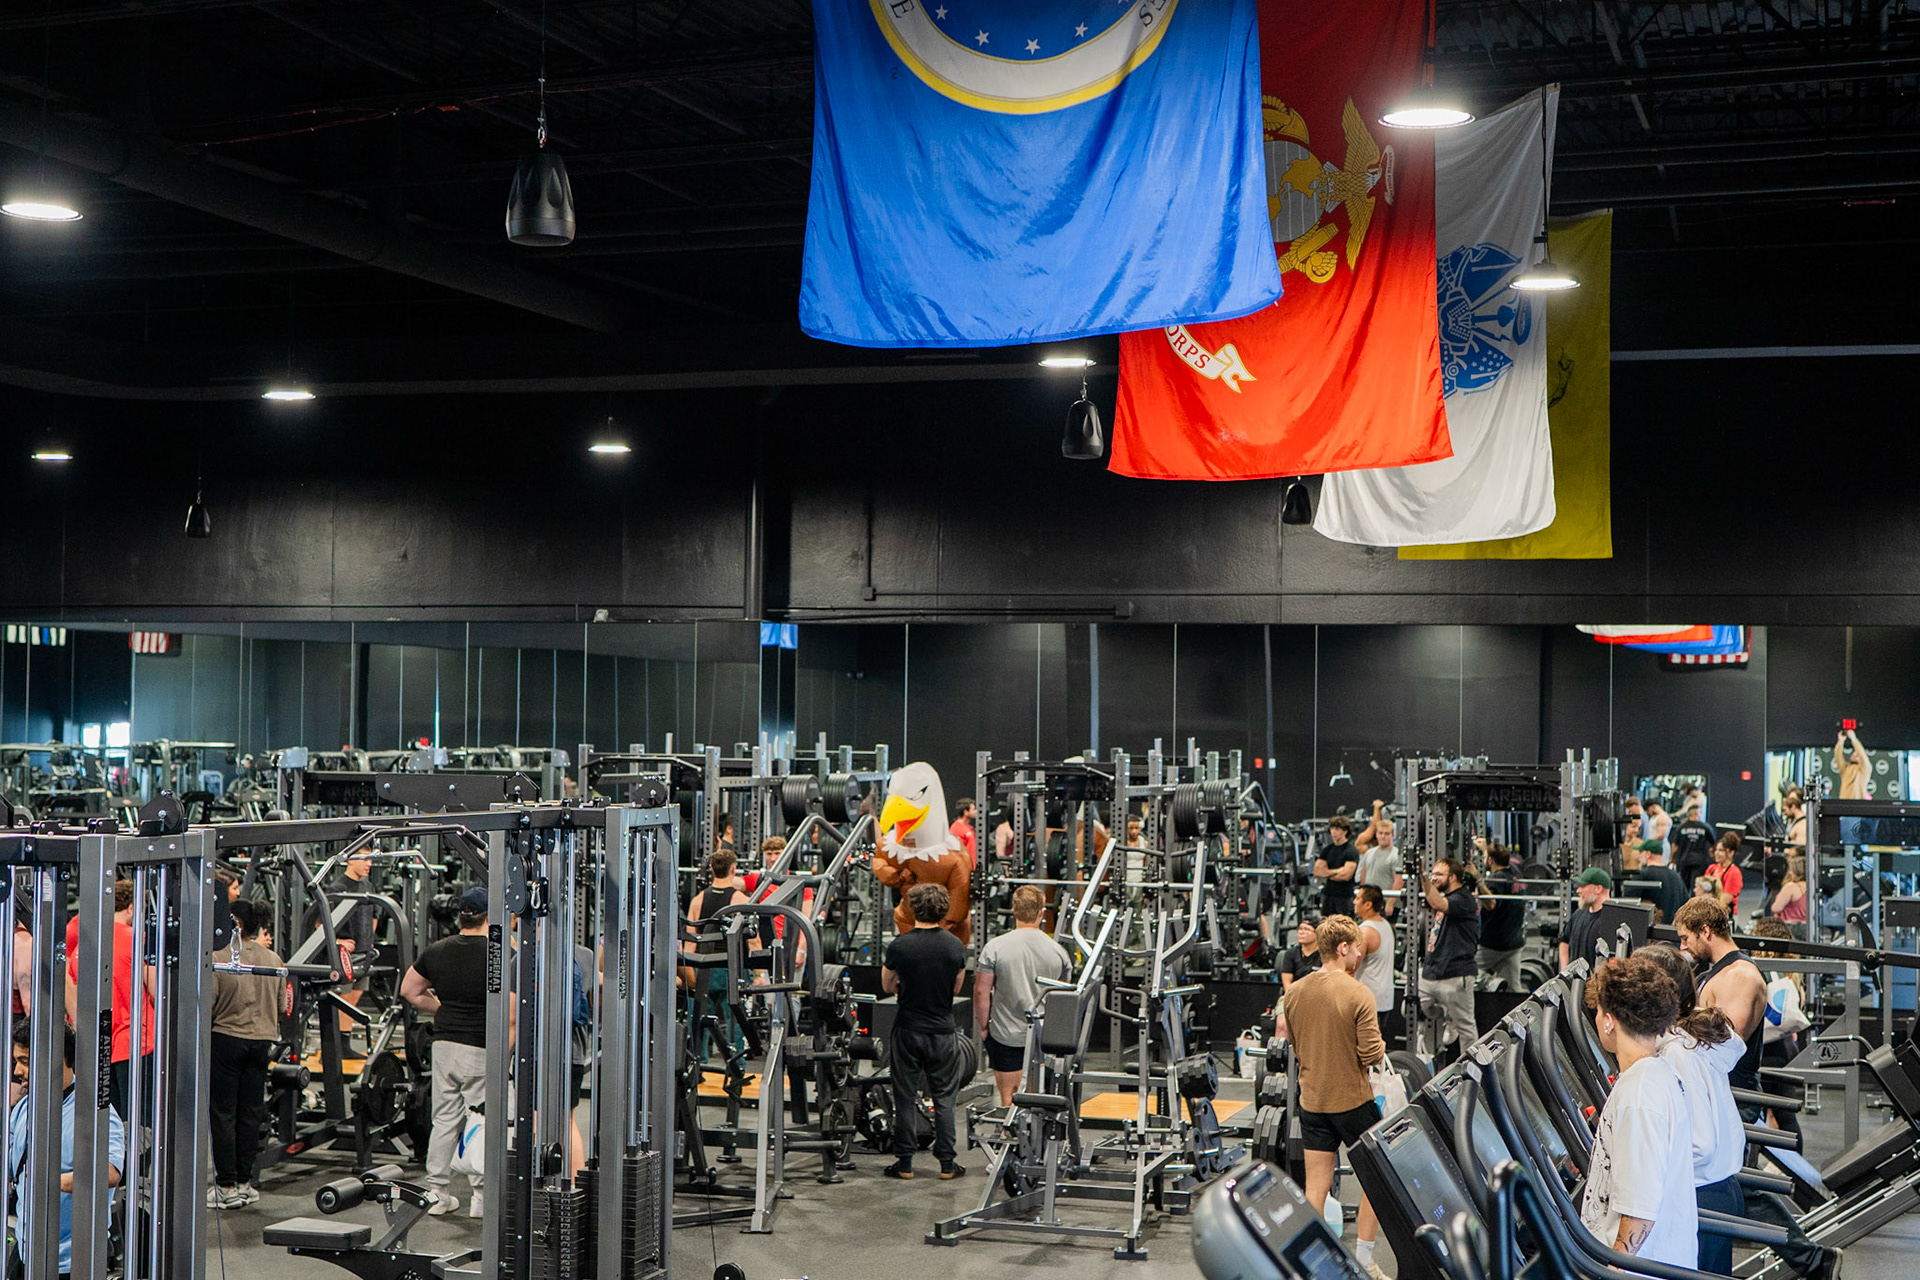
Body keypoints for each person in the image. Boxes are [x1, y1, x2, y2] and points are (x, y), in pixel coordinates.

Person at [1281, 915, 1388, 1280]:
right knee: (1377, 1182)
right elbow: (1371, 1054)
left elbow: (1295, 1045)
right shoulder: (1358, 993)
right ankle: (1364, 1260)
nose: (1359, 955)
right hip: (1353, 1103)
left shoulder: (1294, 992)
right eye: (1357, 948)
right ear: (1343, 948)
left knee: (1315, 1189)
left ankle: (1311, 1267)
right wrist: (1380, 1046)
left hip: (1312, 1102)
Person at [1632, 944, 1748, 1276]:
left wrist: (1649, 1170)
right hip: (1714, 1189)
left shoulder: (1678, 1053)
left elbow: (1701, 1144)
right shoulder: (1686, 1040)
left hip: (1703, 1194)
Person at [1578, 954, 1699, 1268]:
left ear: (1609, 1021)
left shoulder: (1639, 1096)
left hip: (1639, 1269)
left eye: (1599, 1011)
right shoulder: (1655, 1073)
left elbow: (1640, 1212)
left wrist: (1614, 1270)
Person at [402, 884, 491, 1217]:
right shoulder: (498, 953)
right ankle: (480, 1197)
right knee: (482, 1119)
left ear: (460, 917)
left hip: (444, 1045)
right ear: (489, 917)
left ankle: (437, 1194)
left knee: (444, 1120)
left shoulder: (437, 950)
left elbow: (409, 991)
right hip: (479, 1046)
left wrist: (442, 1008)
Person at [9, 1024, 125, 1274]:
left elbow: (110, 1173)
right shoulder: (24, 1108)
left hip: (74, 1261)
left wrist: (52, 1180)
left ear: (55, 1059)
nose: (17, 1071)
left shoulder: (95, 1113)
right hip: (26, 1250)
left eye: (25, 1061)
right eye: (17, 1061)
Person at [881, 882, 968, 1181]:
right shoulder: (954, 946)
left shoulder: (900, 945)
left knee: (904, 1096)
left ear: (913, 908)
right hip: (942, 1031)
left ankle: (905, 1164)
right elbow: (956, 987)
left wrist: (904, 984)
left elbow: (887, 985)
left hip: (908, 1029)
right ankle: (947, 1164)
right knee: (945, 1098)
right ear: (943, 909)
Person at [208, 898, 284, 1209]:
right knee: (251, 1112)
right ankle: (244, 1183)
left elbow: (208, 1005)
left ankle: (226, 1186)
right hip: (261, 1042)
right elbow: (282, 1006)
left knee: (224, 1113)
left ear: (236, 925)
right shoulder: (273, 959)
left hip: (226, 1039)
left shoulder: (219, 957)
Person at [63, 877, 154, 1123]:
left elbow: (71, 984)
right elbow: (158, 990)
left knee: (109, 1119)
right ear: (132, 908)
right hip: (135, 1040)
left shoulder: (87, 939)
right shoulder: (137, 938)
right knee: (139, 1123)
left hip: (99, 1043)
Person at [974, 885, 1071, 1105]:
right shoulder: (1058, 952)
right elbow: (1062, 1000)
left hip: (1005, 1034)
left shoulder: (994, 947)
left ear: (1013, 910)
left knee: (1009, 1099)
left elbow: (981, 991)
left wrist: (983, 1027)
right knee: (1038, 1099)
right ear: (1041, 913)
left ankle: (1011, 1125)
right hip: (1043, 1037)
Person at [1673, 895, 1769, 1106]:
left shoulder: (1740, 976)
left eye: (1685, 938)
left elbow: (1725, 1045)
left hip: (1732, 1100)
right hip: (1713, 1092)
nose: (1682, 947)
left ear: (1705, 931)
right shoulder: (1715, 971)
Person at [685, 848, 751, 1057]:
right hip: (731, 967)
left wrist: (688, 974)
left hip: (704, 967)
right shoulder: (741, 900)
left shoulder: (698, 900)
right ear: (733, 869)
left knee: (700, 1020)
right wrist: (759, 974)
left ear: (712, 870)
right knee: (735, 1022)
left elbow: (690, 942)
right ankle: (737, 1065)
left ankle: (698, 1064)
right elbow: (753, 939)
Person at [1419, 857, 1480, 1054]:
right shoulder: (1445, 896)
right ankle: (1447, 1014)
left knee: (1466, 1028)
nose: (1434, 878)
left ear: (1452, 877)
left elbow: (1437, 903)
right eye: (1433, 874)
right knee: (1411, 1007)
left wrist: (1423, 875)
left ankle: (1472, 1068)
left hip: (1456, 973)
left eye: (1439, 874)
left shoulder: (1463, 899)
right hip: (1433, 971)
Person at [324, 852, 378, 1057]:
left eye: (370, 860)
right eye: (365, 859)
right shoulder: (337, 888)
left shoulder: (368, 886)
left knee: (354, 997)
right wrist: (338, 942)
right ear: (351, 860)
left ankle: (344, 1043)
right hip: (343, 953)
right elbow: (321, 923)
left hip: (364, 952)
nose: (369, 864)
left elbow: (374, 915)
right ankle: (337, 1047)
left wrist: (369, 938)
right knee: (343, 998)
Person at [1477, 843, 1527, 989]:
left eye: (1485, 858)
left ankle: (1494, 984)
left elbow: (1491, 904)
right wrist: (1485, 849)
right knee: (1514, 988)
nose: (1483, 860)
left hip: (1494, 943)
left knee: (1468, 973)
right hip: (1514, 942)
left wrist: (1478, 879)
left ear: (1491, 860)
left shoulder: (1495, 879)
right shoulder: (1516, 874)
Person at [1353, 802, 1404, 917]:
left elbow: (1399, 881)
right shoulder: (1369, 853)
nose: (1383, 836)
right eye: (1380, 833)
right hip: (1370, 903)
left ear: (1392, 835)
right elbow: (1363, 878)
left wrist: (1390, 903)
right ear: (1376, 835)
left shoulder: (1396, 855)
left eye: (1386, 834)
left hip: (1386, 904)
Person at [1353, 886, 1395, 1014]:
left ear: (1368, 905)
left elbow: (1352, 966)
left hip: (1368, 1002)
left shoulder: (1364, 931)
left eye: (1357, 898)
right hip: (1384, 1000)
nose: (1354, 902)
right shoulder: (1386, 925)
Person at [1560, 867, 1612, 969]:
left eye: (1582, 886)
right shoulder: (1578, 915)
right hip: (1575, 979)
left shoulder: (1611, 919)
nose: (1578, 891)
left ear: (1598, 889)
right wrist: (1564, 970)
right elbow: (1564, 940)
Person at [1313, 816, 1358, 919]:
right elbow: (1317, 871)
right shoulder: (1327, 850)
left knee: (1343, 925)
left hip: (1344, 897)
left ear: (1345, 831)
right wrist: (1337, 871)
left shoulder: (1351, 851)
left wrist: (1327, 873)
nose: (1333, 832)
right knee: (1326, 923)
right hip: (1328, 895)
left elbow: (1346, 875)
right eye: (1332, 828)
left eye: (1337, 829)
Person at [1634, 841, 1688, 925]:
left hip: (1651, 929)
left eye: (1641, 852)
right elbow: (1686, 903)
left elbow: (1631, 903)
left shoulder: (1643, 874)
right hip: (1673, 928)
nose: (1638, 857)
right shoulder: (1676, 876)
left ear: (1648, 854)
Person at [1669, 803, 1717, 893]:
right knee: (1697, 886)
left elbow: (1674, 846)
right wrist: (1713, 855)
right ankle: (1694, 901)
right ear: (1697, 814)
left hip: (1684, 860)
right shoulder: (1705, 827)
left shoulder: (1681, 828)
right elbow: (1713, 844)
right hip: (1700, 861)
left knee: (1684, 886)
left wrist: (1672, 858)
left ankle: (1685, 901)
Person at [1705, 832, 1745, 913]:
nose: (1716, 853)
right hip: (1709, 911)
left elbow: (1726, 899)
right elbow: (1702, 889)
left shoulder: (1734, 872)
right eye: (1716, 850)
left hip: (1726, 914)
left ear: (1731, 852)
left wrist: (1708, 899)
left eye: (1721, 850)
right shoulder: (1711, 868)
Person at [1279, 920, 1322, 993]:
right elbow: (1287, 984)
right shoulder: (1291, 953)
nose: (1301, 932)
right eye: (1300, 929)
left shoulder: (1325, 954)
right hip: (1295, 993)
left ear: (1317, 933)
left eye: (1306, 929)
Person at [1770, 857, 1808, 933]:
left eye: (1791, 869)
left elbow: (1776, 908)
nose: (1790, 873)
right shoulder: (1811, 886)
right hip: (1806, 928)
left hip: (1788, 928)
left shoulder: (1791, 887)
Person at [1834, 728, 1869, 800]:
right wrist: (1840, 742)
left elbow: (1863, 756)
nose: (1855, 755)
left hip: (1859, 804)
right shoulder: (1846, 769)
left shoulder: (1865, 770)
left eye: (1857, 755)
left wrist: (1854, 739)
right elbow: (1838, 758)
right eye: (1854, 754)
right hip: (1844, 804)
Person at [949, 797, 979, 867]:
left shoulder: (969, 827)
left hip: (972, 867)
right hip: (964, 868)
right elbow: (956, 852)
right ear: (966, 812)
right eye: (973, 809)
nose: (976, 811)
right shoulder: (956, 828)